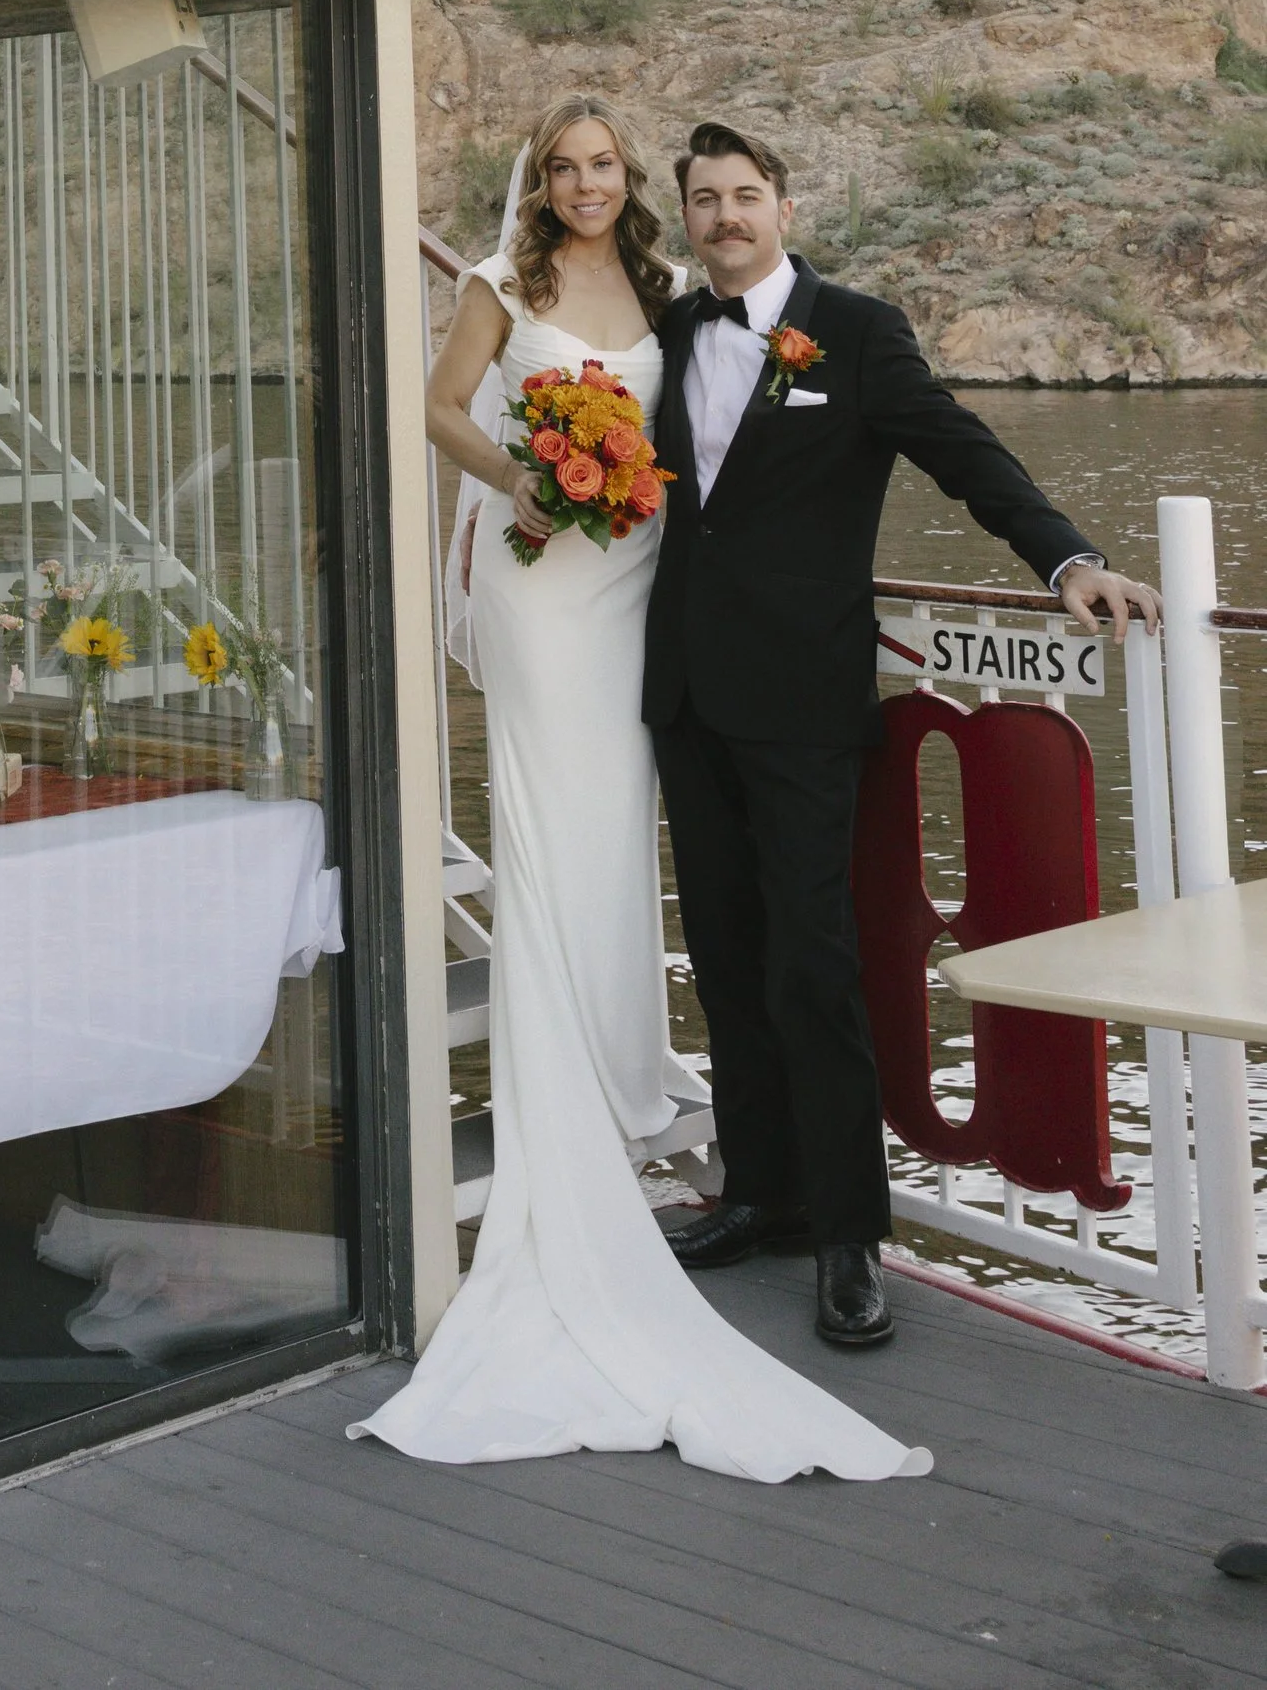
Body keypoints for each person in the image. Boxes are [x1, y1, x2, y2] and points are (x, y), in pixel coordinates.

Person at [357, 94, 927, 1483]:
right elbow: (439, 411)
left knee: (637, 841)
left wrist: (1061, 560)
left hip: (649, 604)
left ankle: (742, 1158)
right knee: (570, 826)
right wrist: (524, 485)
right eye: (567, 167)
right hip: (545, 571)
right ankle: (626, 1114)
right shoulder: (507, 284)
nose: (588, 184)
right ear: (542, 184)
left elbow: (739, 465)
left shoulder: (678, 300)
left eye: (607, 166)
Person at [646, 119, 1159, 1348]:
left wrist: (1066, 556)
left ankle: (846, 1236)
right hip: (684, 695)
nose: (725, 216)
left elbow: (959, 452)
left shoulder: (858, 331)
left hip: (806, 707)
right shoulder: (668, 334)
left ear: (781, 203)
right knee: (723, 949)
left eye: (745, 195)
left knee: (813, 967)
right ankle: (759, 1193)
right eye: (705, 199)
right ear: (688, 217)